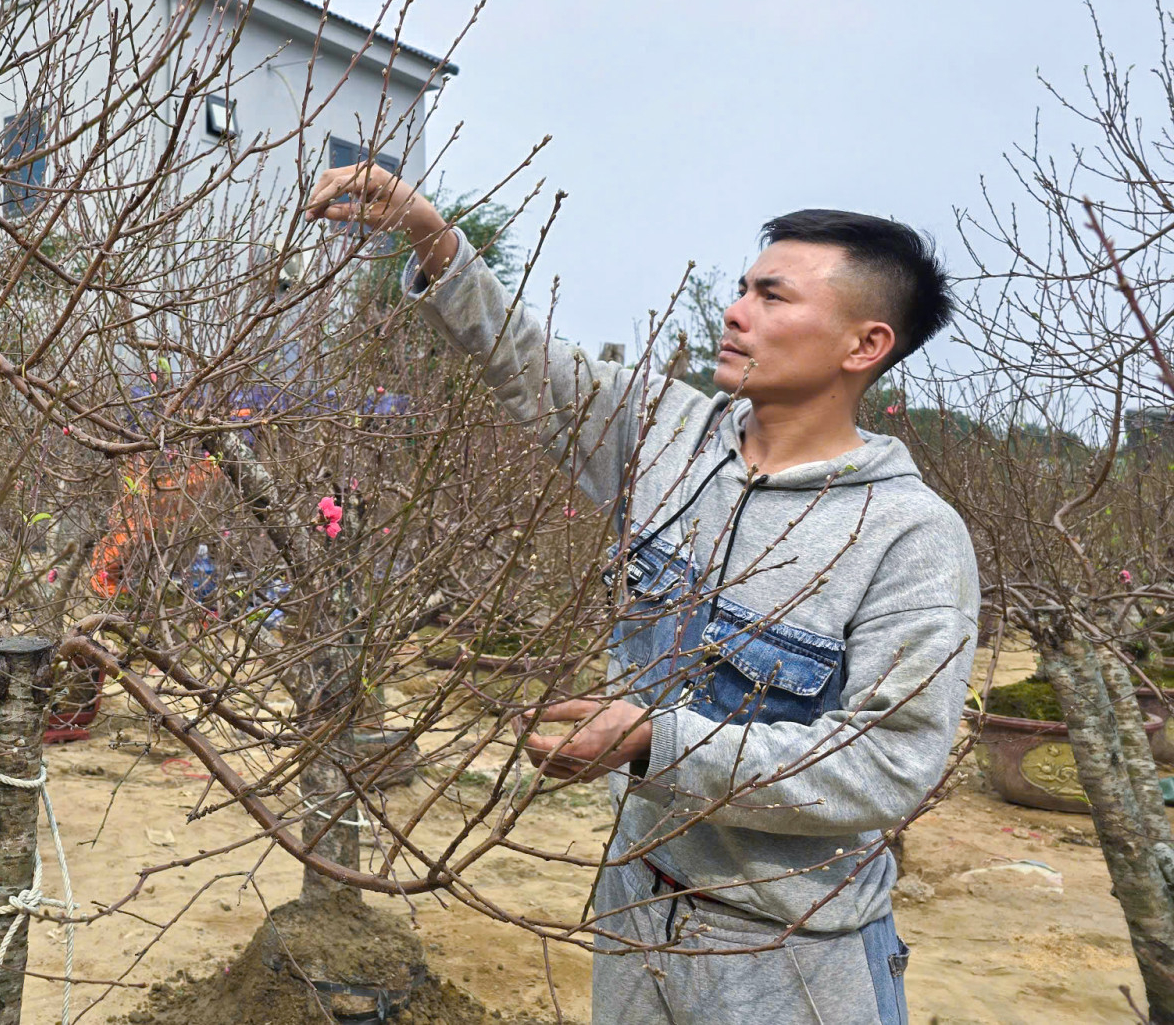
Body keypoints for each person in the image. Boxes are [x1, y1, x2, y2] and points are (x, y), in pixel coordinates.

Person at [304, 163, 978, 1025]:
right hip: (635, 911)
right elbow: (522, 360)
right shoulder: (665, 433)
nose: (736, 311)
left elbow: (889, 768)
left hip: (787, 953)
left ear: (865, 344)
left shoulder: (909, 537)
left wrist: (655, 740)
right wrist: (430, 234)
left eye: (774, 296)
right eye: (743, 288)